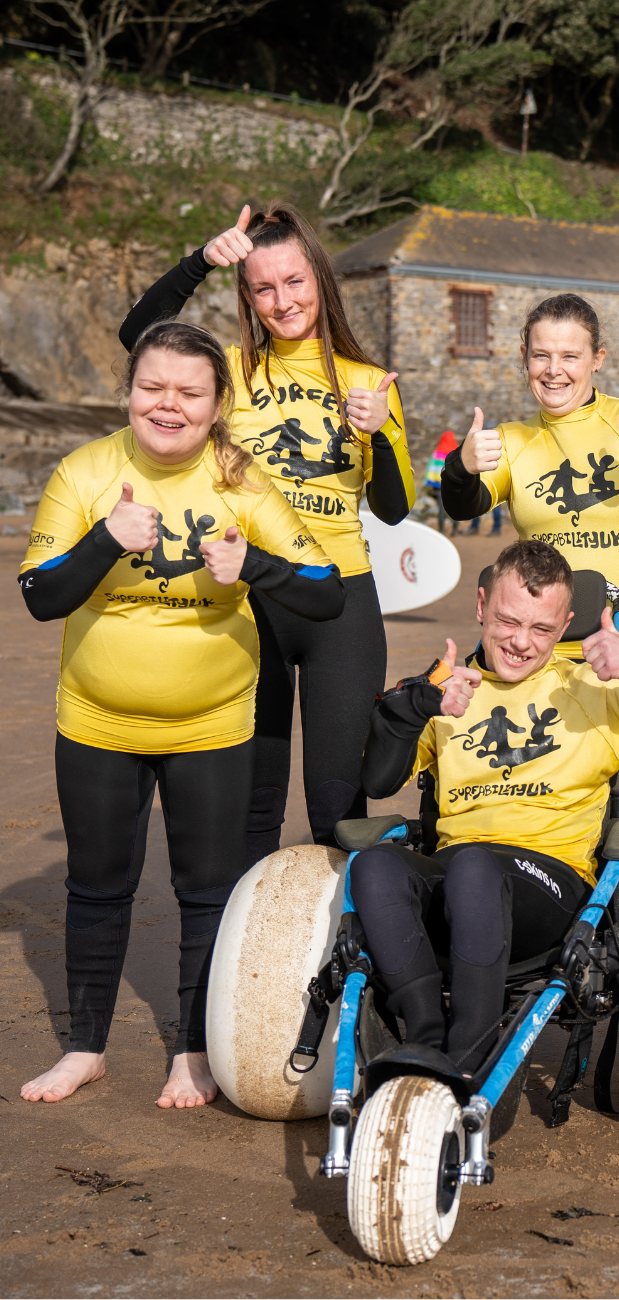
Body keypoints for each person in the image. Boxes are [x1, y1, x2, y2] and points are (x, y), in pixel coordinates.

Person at [17, 322, 344, 1107]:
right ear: (129, 391)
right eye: (151, 388)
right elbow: (39, 595)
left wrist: (254, 566)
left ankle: (192, 1051)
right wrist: (104, 541)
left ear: (216, 403)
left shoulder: (243, 482)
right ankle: (85, 1047)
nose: (168, 405)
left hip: (212, 724)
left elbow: (327, 591)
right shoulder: (86, 471)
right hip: (97, 721)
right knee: (96, 886)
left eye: (189, 392)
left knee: (206, 890)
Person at [354, 540, 619, 1073]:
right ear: (482, 605)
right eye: (508, 621)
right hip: (456, 873)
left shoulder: (598, 689)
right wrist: (411, 708)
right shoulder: (449, 689)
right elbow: (377, 781)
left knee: (473, 867)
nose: (521, 643)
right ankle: (425, 1037)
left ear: (567, 624)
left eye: (542, 629)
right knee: (373, 865)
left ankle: (471, 1053)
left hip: (549, 886)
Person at [118, 203, 416, 867]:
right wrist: (201, 261)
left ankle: (343, 958)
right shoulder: (225, 373)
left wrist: (381, 434)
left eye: (295, 281)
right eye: (263, 287)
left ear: (320, 279)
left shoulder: (371, 384)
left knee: (338, 808)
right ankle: (243, 956)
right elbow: (138, 336)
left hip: (341, 604)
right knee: (251, 801)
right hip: (247, 599)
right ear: (247, 296)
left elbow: (393, 510)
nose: (283, 301)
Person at [440, 294, 619, 884]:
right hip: (551, 664)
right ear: (523, 358)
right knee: (556, 814)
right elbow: (461, 504)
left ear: (597, 359)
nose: (554, 369)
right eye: (540, 355)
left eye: (570, 355)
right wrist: (462, 466)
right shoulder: (513, 441)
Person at [427, 430, 459, 534]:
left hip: (439, 487)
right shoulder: (457, 453)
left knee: (441, 509)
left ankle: (441, 531)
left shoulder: (436, 453)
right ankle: (455, 531)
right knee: (455, 508)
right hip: (454, 486)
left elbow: (431, 469)